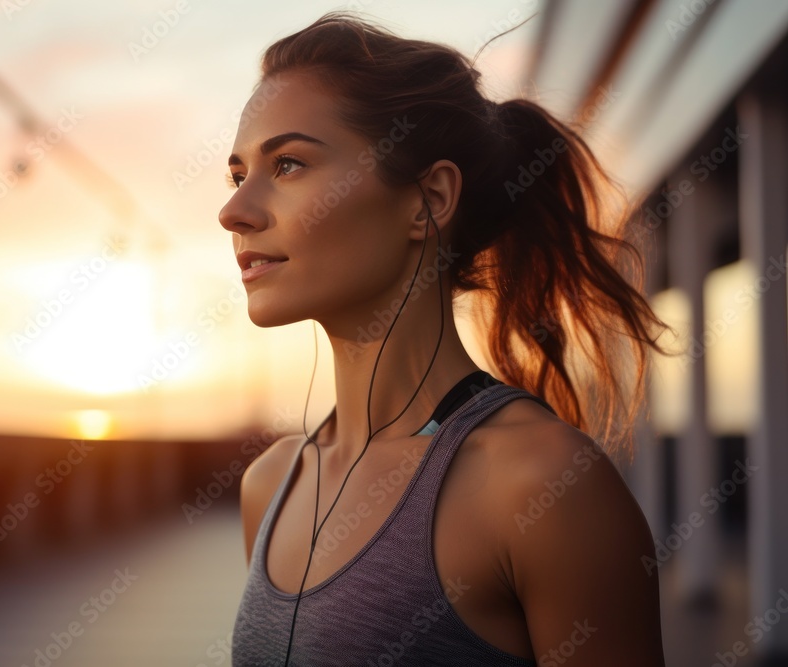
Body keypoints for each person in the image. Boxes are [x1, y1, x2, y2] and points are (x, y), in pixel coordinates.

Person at [218, 11, 671, 666]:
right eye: (238, 175)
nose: (234, 209)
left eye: (287, 164)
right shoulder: (271, 483)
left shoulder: (542, 486)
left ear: (427, 199)